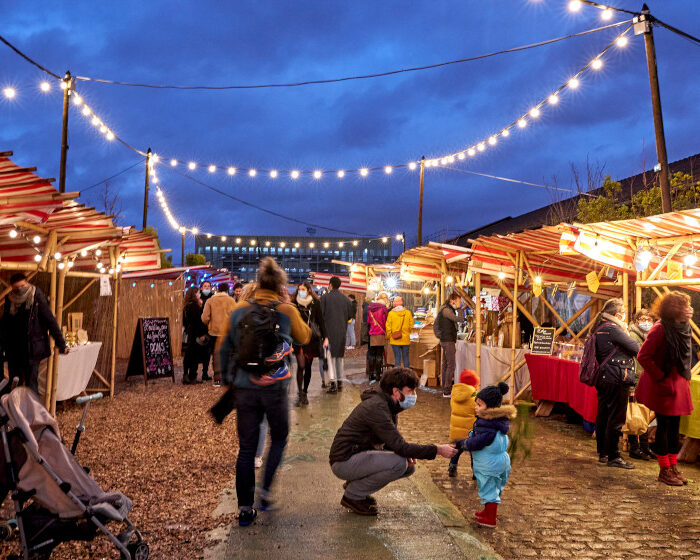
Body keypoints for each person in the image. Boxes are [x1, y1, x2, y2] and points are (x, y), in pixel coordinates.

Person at [220, 258, 311, 526]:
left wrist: (228, 379)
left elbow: (224, 348)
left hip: (245, 387)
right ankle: (266, 491)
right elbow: (304, 337)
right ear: (280, 285)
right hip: (275, 387)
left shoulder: (239, 310)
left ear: (258, 283)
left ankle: (245, 508)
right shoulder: (286, 309)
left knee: (246, 448)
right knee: (279, 437)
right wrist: (290, 310)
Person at [329, 367, 457, 515]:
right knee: (398, 463)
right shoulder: (377, 407)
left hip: (356, 456)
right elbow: (400, 445)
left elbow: (392, 441)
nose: (413, 396)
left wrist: (406, 453)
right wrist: (438, 450)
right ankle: (353, 496)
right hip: (344, 461)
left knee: (408, 467)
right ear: (396, 392)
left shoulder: (388, 405)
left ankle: (356, 486)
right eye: (410, 391)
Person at [636, 292, 695, 486]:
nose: (689, 309)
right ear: (674, 309)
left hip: (678, 381)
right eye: (685, 306)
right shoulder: (660, 329)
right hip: (663, 383)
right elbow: (643, 356)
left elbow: (685, 355)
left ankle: (673, 466)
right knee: (664, 426)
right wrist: (660, 376)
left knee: (675, 428)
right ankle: (664, 470)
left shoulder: (682, 326)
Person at [455, 382, 515, 528]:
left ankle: (490, 518)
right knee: (493, 488)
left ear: (490, 408)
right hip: (501, 462)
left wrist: (464, 444)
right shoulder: (498, 422)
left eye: (480, 405)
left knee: (489, 489)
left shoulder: (487, 425)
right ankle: (487, 511)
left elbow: (478, 442)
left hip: (489, 464)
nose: (476, 407)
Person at [592, 298, 640, 469]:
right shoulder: (614, 329)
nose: (625, 315)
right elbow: (636, 347)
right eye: (624, 312)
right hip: (617, 377)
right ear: (617, 314)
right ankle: (613, 455)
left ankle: (603, 452)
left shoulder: (600, 327)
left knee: (603, 413)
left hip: (605, 377)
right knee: (616, 417)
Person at [0, 273, 68, 394]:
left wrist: (61, 344)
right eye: (17, 288)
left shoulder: (36, 296)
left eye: (22, 286)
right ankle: (15, 411)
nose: (20, 289)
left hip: (32, 349)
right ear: (12, 287)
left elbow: (49, 320)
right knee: (15, 384)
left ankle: (32, 412)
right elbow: (5, 324)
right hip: (14, 349)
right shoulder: (9, 299)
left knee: (32, 385)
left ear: (27, 283)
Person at [626, 309, 657, 461]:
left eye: (649, 319)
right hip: (636, 380)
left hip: (645, 380)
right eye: (643, 319)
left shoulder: (648, 336)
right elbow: (633, 361)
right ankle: (634, 447)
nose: (646, 322)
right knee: (635, 414)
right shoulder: (633, 336)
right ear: (637, 321)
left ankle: (644, 447)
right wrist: (632, 386)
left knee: (643, 413)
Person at [293, 282, 329, 407]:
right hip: (298, 339)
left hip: (311, 339)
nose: (300, 291)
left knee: (307, 366)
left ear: (308, 290)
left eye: (302, 289)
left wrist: (326, 337)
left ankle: (305, 392)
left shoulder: (315, 303)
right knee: (300, 366)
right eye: (299, 289)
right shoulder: (295, 304)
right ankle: (300, 394)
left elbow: (321, 321)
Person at [320, 276, 354, 394]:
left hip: (328, 333)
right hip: (342, 333)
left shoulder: (325, 298)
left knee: (330, 359)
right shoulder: (346, 300)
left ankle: (333, 384)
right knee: (340, 358)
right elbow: (350, 316)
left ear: (330, 285)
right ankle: (340, 382)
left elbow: (321, 316)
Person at [202, 282, 236, 386]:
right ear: (227, 290)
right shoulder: (231, 301)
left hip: (214, 332)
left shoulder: (210, 300)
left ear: (217, 289)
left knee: (216, 355)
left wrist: (210, 324)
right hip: (227, 332)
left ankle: (217, 378)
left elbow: (205, 318)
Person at [448, 369, 480, 478]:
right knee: (474, 454)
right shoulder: (474, 395)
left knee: (456, 451)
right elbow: (477, 410)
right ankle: (476, 473)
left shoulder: (455, 393)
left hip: (456, 431)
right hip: (470, 432)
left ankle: (452, 467)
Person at [434, 292, 462, 397]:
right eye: (458, 301)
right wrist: (459, 309)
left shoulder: (444, 309)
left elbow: (436, 324)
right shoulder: (447, 310)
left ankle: (444, 387)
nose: (460, 303)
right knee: (451, 365)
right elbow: (460, 319)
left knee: (445, 364)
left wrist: (439, 335)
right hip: (448, 339)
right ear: (452, 301)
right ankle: (447, 390)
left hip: (445, 339)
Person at [182, 287, 209, 384]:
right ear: (194, 294)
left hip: (190, 332)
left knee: (189, 353)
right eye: (198, 292)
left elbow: (185, 321)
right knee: (194, 355)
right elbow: (198, 321)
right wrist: (201, 334)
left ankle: (186, 375)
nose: (199, 294)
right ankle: (192, 376)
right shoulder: (194, 306)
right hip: (195, 333)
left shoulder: (186, 305)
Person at [366, 293, 390, 383]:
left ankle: (371, 374)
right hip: (381, 333)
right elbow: (385, 322)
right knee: (379, 354)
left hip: (372, 332)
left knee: (372, 354)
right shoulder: (383, 309)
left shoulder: (370, 308)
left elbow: (368, 321)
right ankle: (378, 375)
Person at [386, 296, 413, 368]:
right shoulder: (408, 312)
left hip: (395, 339)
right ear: (401, 303)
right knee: (406, 358)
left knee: (397, 359)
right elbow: (411, 325)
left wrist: (388, 336)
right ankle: (407, 375)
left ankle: (397, 376)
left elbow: (388, 326)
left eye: (394, 301)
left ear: (395, 303)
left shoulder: (391, 313)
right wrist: (407, 333)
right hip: (405, 340)